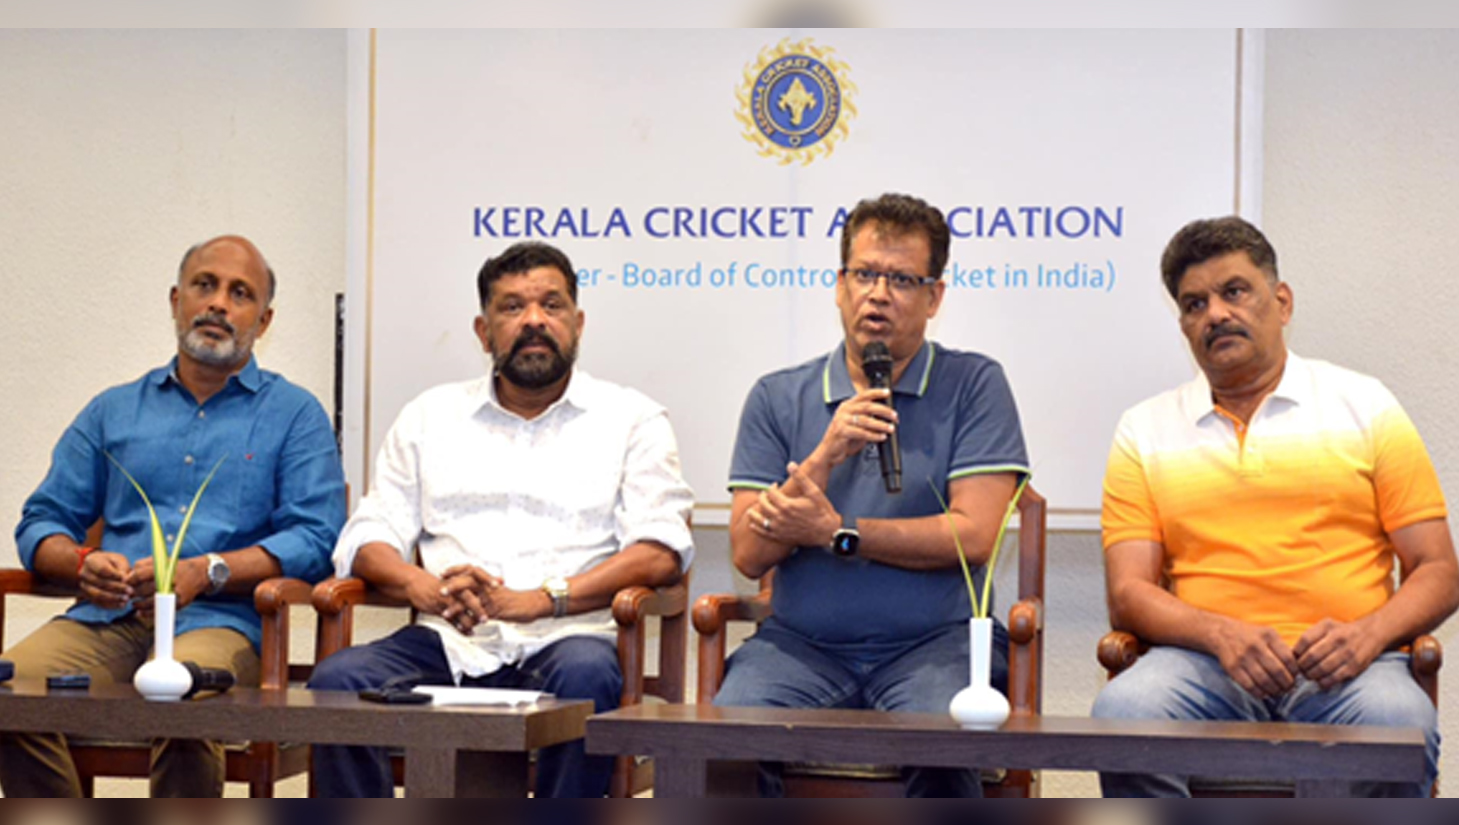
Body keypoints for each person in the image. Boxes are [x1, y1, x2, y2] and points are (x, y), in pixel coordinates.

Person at [307, 240, 694, 798]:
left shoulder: (632, 419)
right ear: (483, 332)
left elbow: (659, 550)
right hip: (450, 639)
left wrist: (541, 599)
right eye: (512, 307)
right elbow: (367, 535)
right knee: (338, 681)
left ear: (578, 324)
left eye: (552, 305)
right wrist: (425, 587)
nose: (534, 320)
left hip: (569, 637)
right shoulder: (429, 417)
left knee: (588, 676)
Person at [1091, 216, 1458, 797]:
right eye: (1194, 304)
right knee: (1124, 711)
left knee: (1398, 723)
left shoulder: (1364, 404)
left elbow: (1438, 570)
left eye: (1234, 291)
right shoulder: (1146, 428)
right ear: (1183, 324)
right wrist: (1220, 636)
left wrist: (1369, 635)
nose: (1215, 314)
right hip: (1202, 668)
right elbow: (1129, 593)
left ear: (1281, 302)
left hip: (1352, 674)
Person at [4, 235, 346, 797]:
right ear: (175, 300)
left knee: (182, 696)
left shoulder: (294, 415)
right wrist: (82, 563)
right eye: (204, 285)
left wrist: (207, 571)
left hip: (220, 623)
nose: (218, 303)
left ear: (264, 321)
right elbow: (40, 522)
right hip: (109, 618)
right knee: (9, 694)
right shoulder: (114, 410)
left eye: (240, 294)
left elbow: (316, 537)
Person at [716, 193, 1030, 797]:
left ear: (934, 297)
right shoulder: (777, 396)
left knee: (944, 741)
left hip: (936, 647)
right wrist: (824, 455)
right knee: (722, 743)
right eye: (864, 275)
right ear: (840, 286)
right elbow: (749, 555)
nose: (878, 295)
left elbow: (974, 537)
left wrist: (839, 534)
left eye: (902, 280)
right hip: (799, 648)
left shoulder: (974, 383)